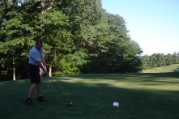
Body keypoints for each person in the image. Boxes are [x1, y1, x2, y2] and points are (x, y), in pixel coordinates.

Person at [25, 38, 48, 105]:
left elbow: (42, 58)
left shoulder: (40, 48)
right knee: (34, 82)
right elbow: (39, 62)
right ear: (36, 44)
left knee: (38, 82)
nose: (40, 47)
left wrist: (45, 69)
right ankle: (28, 98)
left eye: (41, 45)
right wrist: (44, 71)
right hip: (32, 67)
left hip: (36, 67)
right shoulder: (33, 51)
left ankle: (39, 97)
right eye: (39, 45)